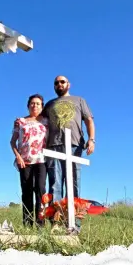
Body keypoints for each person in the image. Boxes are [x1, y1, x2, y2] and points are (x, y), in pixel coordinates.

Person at [43, 75, 95, 232]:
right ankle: (56, 224)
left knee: (73, 184)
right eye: (56, 83)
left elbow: (89, 120)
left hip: (74, 145)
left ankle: (74, 225)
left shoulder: (79, 100)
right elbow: (42, 125)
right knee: (55, 184)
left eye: (62, 82)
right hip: (53, 146)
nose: (59, 84)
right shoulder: (49, 104)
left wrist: (91, 139)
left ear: (68, 85)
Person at [10, 94, 48, 227]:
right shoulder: (20, 121)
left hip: (41, 160)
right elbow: (12, 142)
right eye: (32, 103)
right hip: (24, 161)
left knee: (40, 191)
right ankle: (27, 224)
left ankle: (40, 224)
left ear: (42, 106)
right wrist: (18, 157)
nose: (35, 106)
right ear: (28, 106)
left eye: (38, 103)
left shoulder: (46, 121)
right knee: (26, 192)